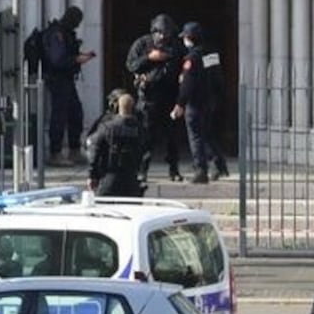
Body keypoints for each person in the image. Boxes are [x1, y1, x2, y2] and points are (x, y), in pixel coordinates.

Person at [126, 13, 185, 182]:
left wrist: (149, 76)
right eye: (159, 33)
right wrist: (149, 58)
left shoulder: (175, 46)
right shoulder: (142, 44)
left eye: (165, 33)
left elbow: (172, 70)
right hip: (148, 99)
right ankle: (142, 170)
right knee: (145, 138)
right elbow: (131, 65)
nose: (162, 36)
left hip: (169, 97)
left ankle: (174, 170)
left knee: (172, 137)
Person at [172, 21, 228, 184]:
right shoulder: (211, 55)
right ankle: (218, 164)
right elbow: (218, 78)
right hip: (209, 101)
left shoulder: (192, 58)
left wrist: (180, 104)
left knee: (196, 136)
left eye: (185, 38)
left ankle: (201, 169)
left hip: (195, 102)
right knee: (207, 134)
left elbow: (187, 84)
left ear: (189, 38)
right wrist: (218, 97)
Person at [41, 5, 97, 167]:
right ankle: (55, 153)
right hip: (57, 79)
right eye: (77, 20)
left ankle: (74, 150)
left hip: (66, 79)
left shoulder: (65, 33)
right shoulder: (57, 34)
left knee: (75, 114)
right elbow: (58, 60)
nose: (78, 24)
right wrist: (77, 59)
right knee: (59, 116)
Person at [87, 92, 150, 197]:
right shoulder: (141, 130)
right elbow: (146, 154)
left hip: (109, 178)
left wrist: (92, 175)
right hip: (132, 181)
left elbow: (94, 151)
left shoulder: (106, 128)